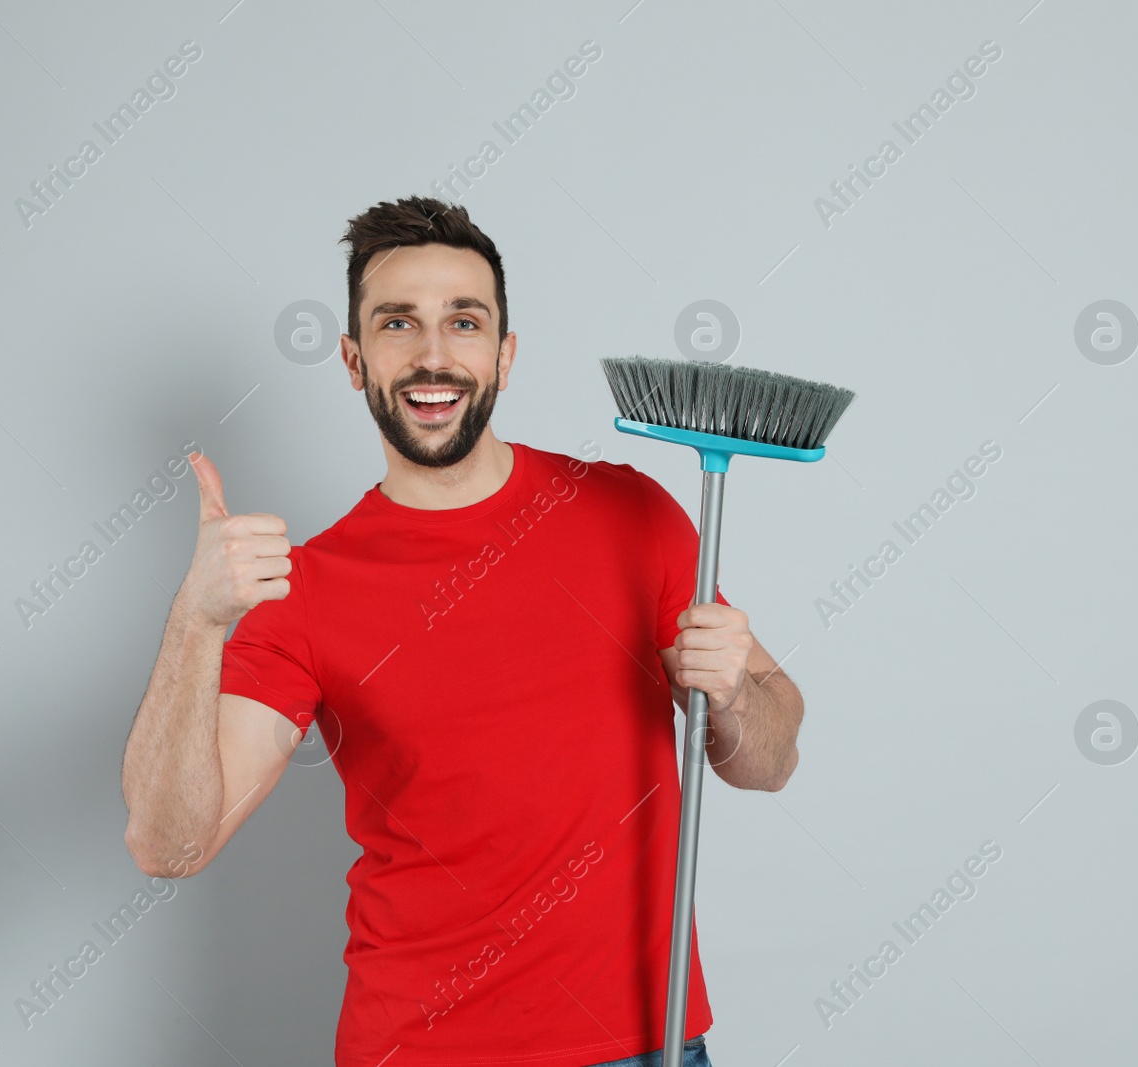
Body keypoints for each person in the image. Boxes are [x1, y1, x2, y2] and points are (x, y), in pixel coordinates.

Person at [120, 196, 805, 1067]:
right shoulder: (306, 592)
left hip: (646, 1044)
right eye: (398, 323)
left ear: (505, 355)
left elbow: (770, 761)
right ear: (353, 358)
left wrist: (737, 688)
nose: (433, 355)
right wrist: (195, 620)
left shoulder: (632, 514)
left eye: (464, 322)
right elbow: (168, 843)